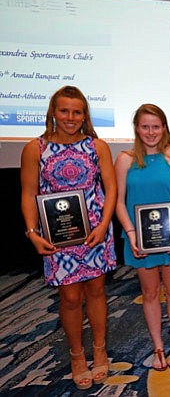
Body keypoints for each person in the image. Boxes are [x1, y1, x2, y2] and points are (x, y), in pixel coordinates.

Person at [20, 85, 117, 390]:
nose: (70, 117)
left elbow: (111, 189)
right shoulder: (35, 149)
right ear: (53, 112)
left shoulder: (97, 147)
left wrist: (104, 225)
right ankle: (77, 355)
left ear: (85, 115)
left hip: (94, 231)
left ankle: (99, 349)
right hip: (57, 235)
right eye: (64, 110)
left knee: (96, 291)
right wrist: (32, 232)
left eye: (77, 111)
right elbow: (28, 193)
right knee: (70, 297)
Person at [114, 104, 170, 371]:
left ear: (164, 128)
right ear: (136, 128)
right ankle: (158, 345)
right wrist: (132, 233)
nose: (150, 132)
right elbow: (119, 202)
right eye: (145, 126)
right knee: (149, 293)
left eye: (156, 126)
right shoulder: (125, 159)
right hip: (140, 240)